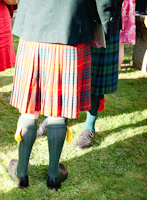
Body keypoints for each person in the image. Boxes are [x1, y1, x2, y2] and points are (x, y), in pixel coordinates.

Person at [8, 0, 118, 190]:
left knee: (30, 106)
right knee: (57, 108)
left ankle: (21, 172)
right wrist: (105, 27)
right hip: (72, 27)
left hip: (34, 26)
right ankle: (53, 175)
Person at [75, 0, 123, 150]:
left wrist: (105, 27)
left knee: (96, 79)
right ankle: (52, 118)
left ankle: (89, 126)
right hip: (74, 19)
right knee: (65, 73)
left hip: (104, 20)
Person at [119, 0, 136, 69]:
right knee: (120, 43)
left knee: (118, 42)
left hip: (120, 4)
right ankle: (115, 74)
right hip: (128, 3)